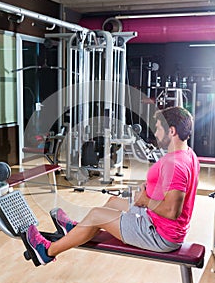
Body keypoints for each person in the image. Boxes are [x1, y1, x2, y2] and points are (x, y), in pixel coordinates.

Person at [25, 106, 200, 266]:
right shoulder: (188, 154)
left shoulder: (175, 164)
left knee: (96, 214)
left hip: (159, 235)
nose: (156, 132)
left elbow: (172, 211)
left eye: (159, 127)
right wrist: (147, 189)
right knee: (112, 202)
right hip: (157, 221)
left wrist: (146, 200)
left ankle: (46, 251)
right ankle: (76, 230)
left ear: (172, 131)